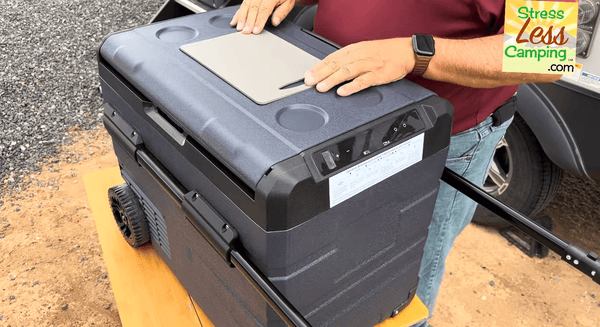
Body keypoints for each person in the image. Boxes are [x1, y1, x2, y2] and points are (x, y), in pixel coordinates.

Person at [231, 1, 562, 325]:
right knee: (339, 252)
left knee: (398, 279)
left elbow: (544, 52)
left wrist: (414, 54)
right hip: (335, 111)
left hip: (436, 138)